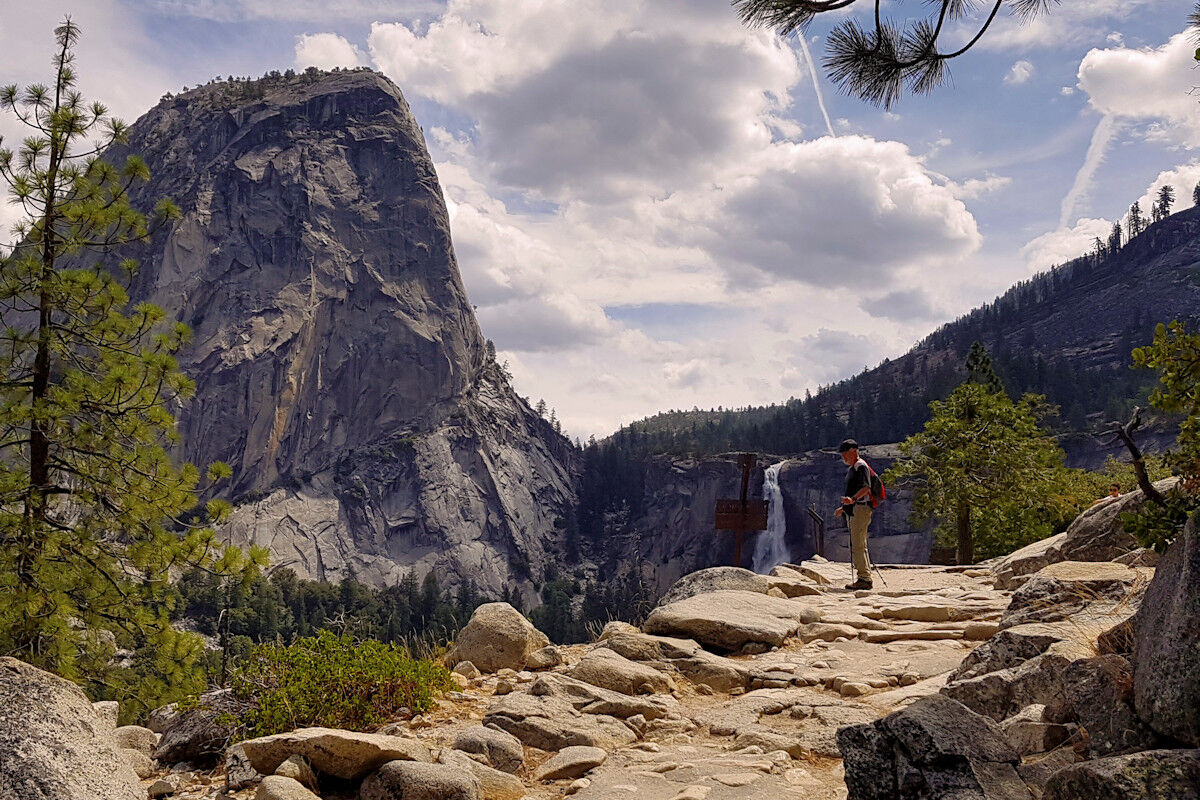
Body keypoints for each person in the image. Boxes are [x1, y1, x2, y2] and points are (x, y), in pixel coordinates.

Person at [834, 438, 874, 591]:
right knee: (859, 544)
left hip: (860, 509)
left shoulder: (860, 467)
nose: (843, 457)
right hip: (856, 509)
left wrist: (853, 500)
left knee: (858, 545)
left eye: (845, 454)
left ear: (853, 451)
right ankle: (864, 576)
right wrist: (843, 508)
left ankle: (864, 579)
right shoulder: (854, 468)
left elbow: (866, 488)